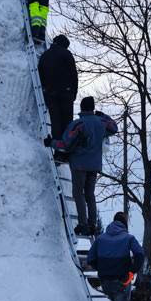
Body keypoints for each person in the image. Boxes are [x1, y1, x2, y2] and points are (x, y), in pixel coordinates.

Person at [46, 96, 117, 236]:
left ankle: (82, 224)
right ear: (93, 108)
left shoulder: (79, 124)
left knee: (78, 193)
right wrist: (103, 115)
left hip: (79, 164)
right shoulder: (101, 123)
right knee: (90, 194)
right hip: (95, 165)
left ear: (82, 108)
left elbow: (65, 144)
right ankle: (92, 225)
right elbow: (114, 127)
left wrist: (51, 143)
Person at [38, 34, 78, 138]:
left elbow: (40, 76)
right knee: (67, 122)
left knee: (55, 122)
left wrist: (45, 92)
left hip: (51, 94)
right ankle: (67, 149)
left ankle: (58, 151)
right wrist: (74, 93)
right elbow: (74, 74)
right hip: (66, 92)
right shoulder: (67, 54)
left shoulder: (44, 56)